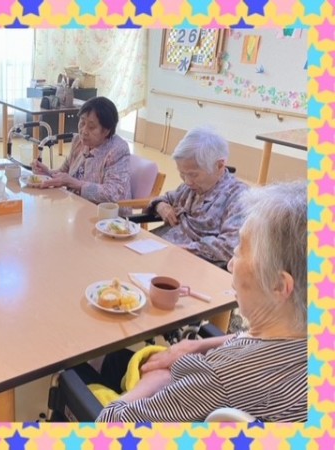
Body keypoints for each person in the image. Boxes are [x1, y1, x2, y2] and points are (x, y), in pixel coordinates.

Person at [81, 181, 307, 422]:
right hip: (198, 385)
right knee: (115, 360)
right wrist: (194, 346)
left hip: (166, 402)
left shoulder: (219, 378)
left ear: (279, 286)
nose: (231, 264)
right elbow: (256, 340)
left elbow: (111, 423)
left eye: (240, 250)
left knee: (76, 372)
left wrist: (154, 382)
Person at [143, 126, 248, 268]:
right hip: (159, 249)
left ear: (219, 165)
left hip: (191, 264)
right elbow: (166, 198)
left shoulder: (238, 197)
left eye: (193, 174)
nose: (187, 181)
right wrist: (161, 206)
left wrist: (185, 250)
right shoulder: (191, 187)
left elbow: (229, 246)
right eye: (182, 174)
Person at [31, 96, 130, 205]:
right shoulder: (78, 141)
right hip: (78, 206)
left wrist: (76, 184)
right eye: (82, 123)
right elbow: (64, 172)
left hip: (105, 212)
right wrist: (47, 173)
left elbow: (113, 194)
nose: (84, 131)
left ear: (106, 131)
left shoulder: (117, 149)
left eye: (91, 127)